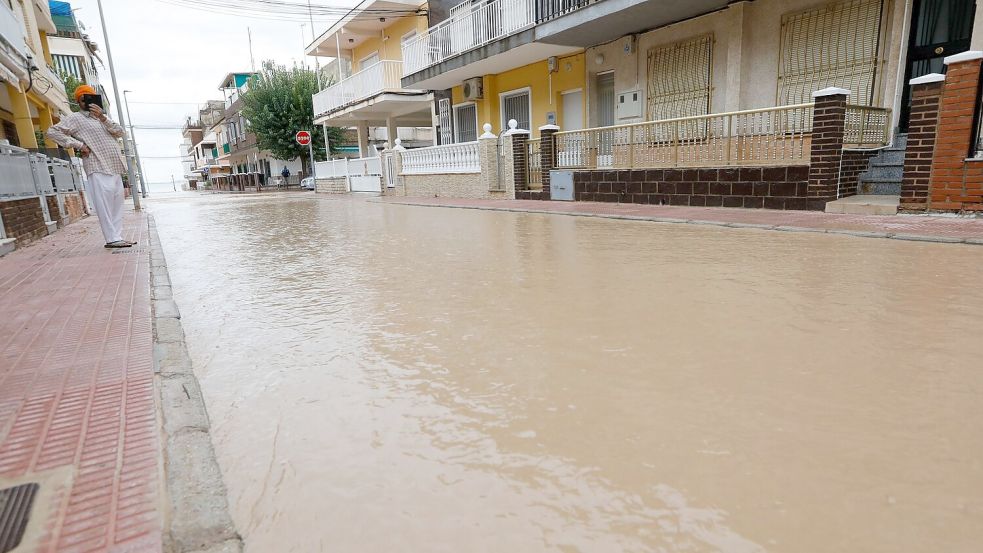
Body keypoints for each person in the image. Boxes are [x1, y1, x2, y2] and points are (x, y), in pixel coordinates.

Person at [47, 85, 133, 248]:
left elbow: (120, 132)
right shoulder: (76, 118)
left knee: (117, 204)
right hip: (96, 165)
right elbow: (52, 131)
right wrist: (78, 145)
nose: (87, 100)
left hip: (114, 166)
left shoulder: (102, 118)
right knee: (104, 205)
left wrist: (102, 117)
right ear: (78, 101)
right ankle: (111, 239)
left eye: (90, 97)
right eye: (83, 98)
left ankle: (117, 236)